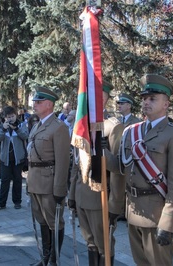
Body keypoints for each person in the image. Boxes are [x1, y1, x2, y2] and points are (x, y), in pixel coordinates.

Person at [107, 74, 173, 265]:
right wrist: (99, 151)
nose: (146, 102)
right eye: (144, 98)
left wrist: (168, 222)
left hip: (157, 215)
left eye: (152, 99)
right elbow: (121, 167)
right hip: (133, 211)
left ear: (166, 104)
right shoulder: (131, 131)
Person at [69, 81, 125, 265]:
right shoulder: (81, 126)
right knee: (90, 242)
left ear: (104, 99)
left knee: (104, 244)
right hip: (81, 193)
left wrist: (115, 206)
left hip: (99, 197)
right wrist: (72, 195)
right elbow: (77, 164)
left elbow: (119, 169)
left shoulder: (112, 127)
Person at [27, 86, 70, 266]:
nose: (35, 104)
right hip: (35, 180)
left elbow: (62, 161)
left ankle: (54, 260)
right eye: (35, 101)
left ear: (50, 104)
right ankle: (45, 258)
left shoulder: (58, 127)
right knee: (41, 220)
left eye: (39, 101)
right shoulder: (38, 124)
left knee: (54, 222)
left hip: (49, 181)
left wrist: (60, 189)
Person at [0, 106, 29, 211]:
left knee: (17, 180)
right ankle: (1, 203)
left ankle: (17, 201)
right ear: (5, 117)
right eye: (8, 117)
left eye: (12, 116)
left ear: (16, 115)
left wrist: (16, 129)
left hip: (18, 158)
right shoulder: (1, 126)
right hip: (5, 158)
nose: (11, 119)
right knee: (4, 181)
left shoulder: (21, 124)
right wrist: (3, 129)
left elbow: (25, 136)